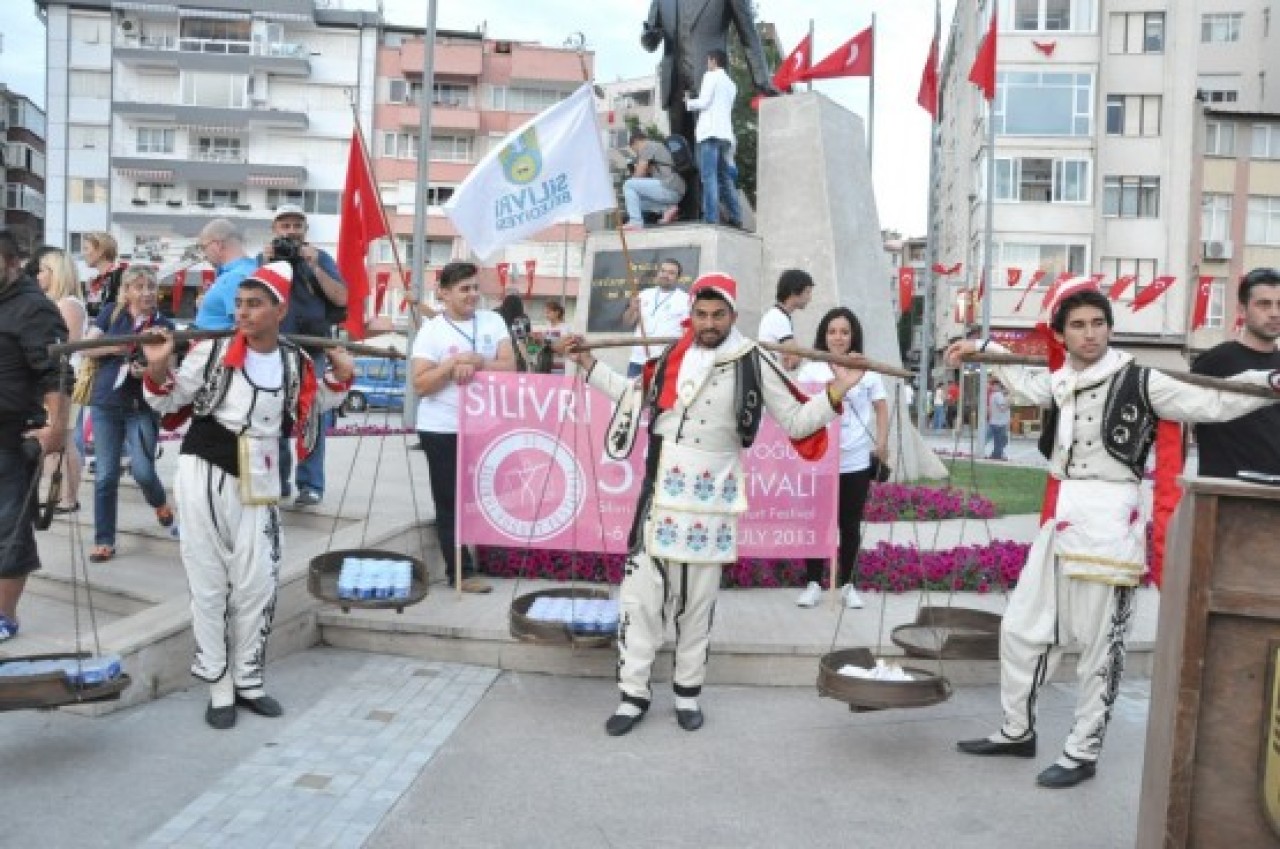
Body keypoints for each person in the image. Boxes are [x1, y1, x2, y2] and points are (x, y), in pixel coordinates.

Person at [944, 279, 1280, 789]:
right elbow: (1020, 383)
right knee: (1020, 630)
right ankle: (1016, 731)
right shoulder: (1059, 380)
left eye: (1098, 324)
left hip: (1108, 524)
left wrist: (1269, 382)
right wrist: (982, 349)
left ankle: (1082, 751)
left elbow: (1211, 401)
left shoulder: (1142, 380)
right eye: (1078, 326)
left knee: (1100, 647)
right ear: (1062, 334)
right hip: (1062, 523)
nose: (1090, 334)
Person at [567, 272, 857, 736]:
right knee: (641, 599)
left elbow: (800, 422)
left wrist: (839, 391)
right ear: (692, 315)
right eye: (700, 314)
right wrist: (587, 364)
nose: (708, 323)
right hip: (659, 494)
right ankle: (633, 694)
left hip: (713, 500)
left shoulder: (754, 361)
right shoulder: (670, 357)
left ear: (732, 316)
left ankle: (687, 693)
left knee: (697, 602)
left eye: (717, 314)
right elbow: (630, 395)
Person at [141, 262, 354, 728]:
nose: (243, 312)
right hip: (204, 473)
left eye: (254, 304)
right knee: (209, 580)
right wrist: (159, 368)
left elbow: (316, 403)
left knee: (258, 581)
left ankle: (249, 679)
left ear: (280, 310)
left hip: (260, 479)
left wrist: (341, 373)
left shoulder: (294, 360)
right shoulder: (210, 352)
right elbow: (168, 401)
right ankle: (218, 684)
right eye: (239, 304)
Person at [411, 262, 516, 594]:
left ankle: (491, 558)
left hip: (486, 425)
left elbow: (510, 369)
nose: (472, 295)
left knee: (487, 495)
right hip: (442, 428)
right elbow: (421, 384)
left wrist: (479, 362)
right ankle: (460, 571)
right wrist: (451, 365)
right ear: (443, 293)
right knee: (450, 500)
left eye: (474, 287)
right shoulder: (431, 332)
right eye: (463, 289)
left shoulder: (493, 320)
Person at [0, 230, 69, 642]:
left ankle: (4, 616)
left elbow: (56, 372)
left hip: (11, 436)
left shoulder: (34, 308)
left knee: (8, 530)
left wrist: (57, 428)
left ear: (11, 262)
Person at [81, 266, 176, 563]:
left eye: (151, 286)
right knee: (106, 476)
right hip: (106, 403)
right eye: (139, 286)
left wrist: (148, 370)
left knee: (143, 472)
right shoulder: (112, 313)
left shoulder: (163, 324)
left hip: (142, 406)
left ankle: (160, 502)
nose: (146, 292)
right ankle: (104, 540)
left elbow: (168, 370)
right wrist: (121, 346)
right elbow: (87, 347)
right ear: (127, 290)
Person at [795, 308, 887, 610]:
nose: (838, 337)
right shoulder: (812, 370)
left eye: (844, 332)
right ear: (824, 334)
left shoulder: (867, 369)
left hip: (855, 460)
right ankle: (812, 583)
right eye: (832, 331)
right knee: (817, 523)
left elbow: (881, 408)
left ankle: (848, 584)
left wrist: (882, 444)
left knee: (850, 525)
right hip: (820, 459)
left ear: (853, 335)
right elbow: (801, 412)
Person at [262, 204, 348, 507]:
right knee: (272, 417)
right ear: (275, 230)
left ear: (306, 231)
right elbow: (249, 298)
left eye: (297, 225)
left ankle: (311, 485)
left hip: (313, 350)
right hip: (271, 349)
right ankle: (279, 481)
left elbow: (341, 297)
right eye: (285, 226)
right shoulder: (265, 259)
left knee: (312, 419)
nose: (291, 231)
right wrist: (265, 263)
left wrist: (315, 266)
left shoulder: (320, 257)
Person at [640, 0, 777, 161]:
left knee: (712, 155)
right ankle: (689, 185)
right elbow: (650, 42)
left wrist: (762, 81)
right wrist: (649, 37)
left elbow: (748, 35)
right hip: (675, 84)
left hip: (711, 83)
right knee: (681, 156)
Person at [1191, 267, 1280, 479]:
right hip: (1223, 494)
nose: (1275, 313)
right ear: (1242, 310)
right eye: (1264, 304)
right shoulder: (1213, 362)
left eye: (1279, 304)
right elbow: (1189, 423)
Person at [32, 247, 87, 512]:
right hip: (53, 381)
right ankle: (60, 495)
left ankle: (69, 497)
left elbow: (67, 346)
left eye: (43, 270)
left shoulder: (68, 305)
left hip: (64, 382)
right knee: (56, 440)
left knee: (63, 439)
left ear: (57, 273)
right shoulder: (55, 304)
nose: (38, 275)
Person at [684, 49, 742, 227]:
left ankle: (711, 217)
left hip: (710, 132)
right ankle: (736, 216)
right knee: (724, 177)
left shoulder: (711, 76)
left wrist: (688, 101)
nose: (707, 64)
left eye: (708, 61)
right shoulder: (732, 85)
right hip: (725, 134)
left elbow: (704, 102)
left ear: (714, 61)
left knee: (709, 176)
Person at [622, 258, 690, 378]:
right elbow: (627, 323)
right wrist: (632, 308)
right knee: (632, 396)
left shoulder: (685, 300)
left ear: (678, 278)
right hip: (638, 361)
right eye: (663, 271)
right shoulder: (644, 294)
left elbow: (687, 333)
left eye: (671, 273)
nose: (665, 275)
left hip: (664, 362)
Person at [193, 219, 258, 332]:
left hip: (219, 346)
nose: (204, 254)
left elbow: (243, 326)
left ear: (218, 245)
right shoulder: (248, 270)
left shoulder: (234, 277)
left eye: (204, 247)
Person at [622, 130, 685, 230]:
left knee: (628, 185)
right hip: (673, 190)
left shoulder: (648, 146)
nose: (637, 153)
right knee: (635, 203)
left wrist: (635, 173)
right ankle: (668, 209)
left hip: (669, 186)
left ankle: (635, 222)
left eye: (635, 150)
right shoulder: (657, 147)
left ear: (637, 142)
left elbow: (639, 174)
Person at [757, 269, 815, 371]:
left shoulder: (778, 315)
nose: (810, 298)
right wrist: (795, 355)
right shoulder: (778, 317)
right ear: (794, 292)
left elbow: (792, 359)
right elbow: (794, 359)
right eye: (807, 292)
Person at [82, 231, 128, 318]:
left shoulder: (120, 276)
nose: (83, 253)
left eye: (86, 248)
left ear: (100, 251)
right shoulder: (96, 280)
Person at [538, 300, 570, 375]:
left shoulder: (565, 327)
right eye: (545, 312)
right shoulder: (546, 327)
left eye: (548, 312)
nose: (546, 315)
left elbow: (563, 346)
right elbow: (542, 345)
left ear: (557, 312)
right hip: (545, 362)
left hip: (559, 363)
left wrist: (546, 342)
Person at [986, 378, 1011, 460]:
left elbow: (990, 409)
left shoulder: (993, 395)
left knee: (997, 440)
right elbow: (1002, 408)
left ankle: (996, 454)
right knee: (1002, 441)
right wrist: (1009, 403)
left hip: (995, 421)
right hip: (1000, 423)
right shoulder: (998, 395)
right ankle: (997, 455)